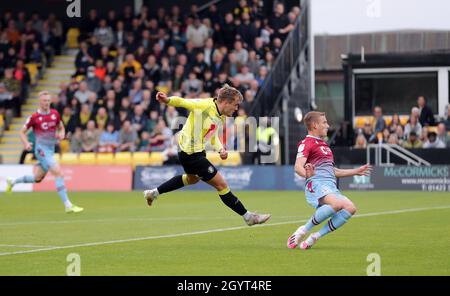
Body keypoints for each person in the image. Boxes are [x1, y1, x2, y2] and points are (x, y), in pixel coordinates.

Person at [143, 84, 271, 226]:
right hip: (191, 154)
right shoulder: (204, 105)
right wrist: (167, 100)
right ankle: (248, 217)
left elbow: (212, 134)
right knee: (221, 185)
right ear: (226, 102)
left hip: (195, 152)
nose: (236, 109)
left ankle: (153, 193)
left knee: (192, 179)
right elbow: (183, 102)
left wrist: (220, 149)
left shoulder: (220, 116)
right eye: (235, 105)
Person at [287, 111, 371, 250]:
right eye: (324, 122)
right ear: (314, 125)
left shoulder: (324, 146)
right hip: (317, 183)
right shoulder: (307, 142)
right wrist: (310, 177)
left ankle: (315, 237)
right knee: (336, 204)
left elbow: (333, 171)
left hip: (330, 185)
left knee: (350, 208)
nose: (328, 125)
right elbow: (297, 167)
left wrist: (356, 171)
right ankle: (302, 231)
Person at [5, 91, 83, 213]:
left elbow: (61, 127)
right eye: (44, 101)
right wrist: (26, 143)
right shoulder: (34, 117)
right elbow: (21, 132)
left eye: (48, 100)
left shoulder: (55, 114)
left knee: (37, 178)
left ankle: (13, 181)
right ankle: (68, 205)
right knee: (59, 173)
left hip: (50, 151)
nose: (46, 103)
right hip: (41, 150)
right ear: (39, 102)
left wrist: (61, 134)